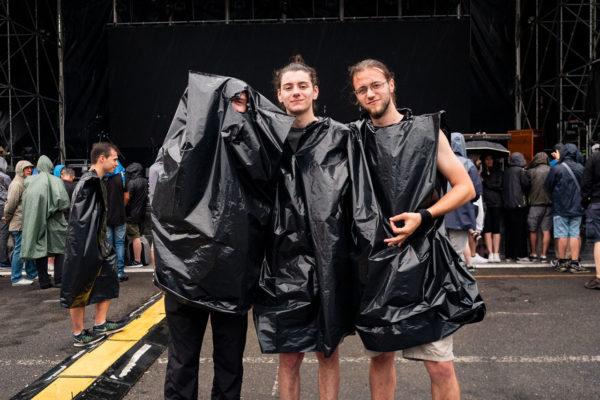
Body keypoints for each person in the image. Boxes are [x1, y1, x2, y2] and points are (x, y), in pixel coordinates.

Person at [348, 59, 485, 400]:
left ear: (391, 84)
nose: (370, 93)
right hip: (378, 267)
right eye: (362, 89)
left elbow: (464, 187)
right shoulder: (353, 138)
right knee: (381, 357)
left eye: (376, 84)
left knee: (440, 365)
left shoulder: (427, 131)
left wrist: (423, 216)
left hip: (426, 265)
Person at [153, 73, 294, 400]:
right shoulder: (184, 146)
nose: (239, 109)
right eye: (232, 101)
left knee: (228, 363)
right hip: (186, 276)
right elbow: (167, 202)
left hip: (230, 277)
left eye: (244, 102)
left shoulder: (255, 149)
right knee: (182, 360)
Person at [253, 56, 356, 400]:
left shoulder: (341, 136)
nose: (295, 92)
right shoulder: (267, 140)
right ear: (279, 96)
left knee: (327, 352)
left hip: (329, 258)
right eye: (288, 87)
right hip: (282, 265)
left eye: (301, 85)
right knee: (289, 356)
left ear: (315, 90)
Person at [60, 142, 127, 347]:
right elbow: (80, 221)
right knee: (77, 286)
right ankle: (79, 334)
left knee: (107, 276)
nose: (117, 163)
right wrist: (89, 248)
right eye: (114, 159)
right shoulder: (89, 183)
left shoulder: (95, 181)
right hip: (83, 245)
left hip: (95, 242)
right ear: (101, 158)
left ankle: (100, 324)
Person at [20, 155, 70, 289]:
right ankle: (59, 279)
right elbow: (64, 202)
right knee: (60, 250)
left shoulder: (30, 182)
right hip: (55, 222)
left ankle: (44, 281)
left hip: (37, 222)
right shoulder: (57, 181)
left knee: (40, 251)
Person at [545, 143, 588, 273]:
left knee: (561, 234)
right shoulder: (581, 168)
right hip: (577, 206)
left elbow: (548, 186)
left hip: (560, 206)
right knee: (575, 233)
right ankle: (575, 262)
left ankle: (562, 262)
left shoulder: (557, 168)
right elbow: (586, 186)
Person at [444, 132, 483, 270]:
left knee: (442, 250)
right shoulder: (468, 165)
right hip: (461, 213)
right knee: (456, 251)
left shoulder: (440, 161)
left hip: (440, 212)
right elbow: (477, 192)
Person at [4, 160, 37, 285]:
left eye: (30, 168)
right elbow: (11, 204)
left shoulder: (25, 182)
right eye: (26, 168)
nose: (29, 170)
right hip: (19, 222)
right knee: (20, 249)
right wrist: (7, 217)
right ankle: (16, 278)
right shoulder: (17, 184)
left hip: (25, 222)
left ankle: (32, 274)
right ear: (20, 169)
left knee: (27, 249)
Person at [502, 152, 530, 262]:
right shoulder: (520, 171)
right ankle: (520, 254)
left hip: (507, 204)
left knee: (509, 231)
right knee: (520, 231)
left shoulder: (506, 171)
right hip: (519, 204)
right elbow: (526, 185)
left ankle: (509, 254)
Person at [104, 161, 128, 281]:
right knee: (120, 243)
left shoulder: (102, 176)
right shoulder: (122, 176)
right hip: (120, 214)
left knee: (109, 244)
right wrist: (120, 207)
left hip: (106, 215)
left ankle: (110, 271)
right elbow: (127, 196)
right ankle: (120, 272)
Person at [526, 152, 552, 262]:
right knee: (546, 230)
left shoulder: (531, 172)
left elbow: (526, 186)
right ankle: (544, 255)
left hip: (535, 205)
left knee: (533, 230)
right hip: (549, 205)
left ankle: (533, 253)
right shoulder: (552, 170)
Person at [581, 148, 600, 289]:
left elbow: (586, 182)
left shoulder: (594, 157)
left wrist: (586, 201)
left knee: (598, 240)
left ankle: (599, 277)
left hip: (596, 201)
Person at [481, 154, 503, 262]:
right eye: (486, 159)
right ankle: (490, 253)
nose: (488, 162)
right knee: (487, 228)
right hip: (485, 203)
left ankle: (496, 252)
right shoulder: (483, 173)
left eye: (490, 159)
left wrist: (485, 181)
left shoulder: (498, 173)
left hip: (496, 203)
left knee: (496, 228)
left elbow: (498, 185)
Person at [125, 162, 148, 267]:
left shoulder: (131, 183)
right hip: (142, 213)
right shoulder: (144, 181)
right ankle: (138, 259)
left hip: (132, 214)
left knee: (135, 237)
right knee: (138, 236)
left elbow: (127, 198)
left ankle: (137, 261)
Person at [0, 157, 12, 268]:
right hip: (3, 206)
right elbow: (11, 191)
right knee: (4, 233)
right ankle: (3, 259)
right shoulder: (5, 177)